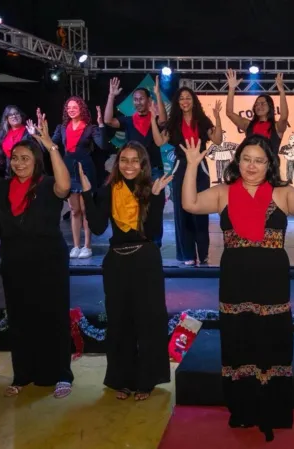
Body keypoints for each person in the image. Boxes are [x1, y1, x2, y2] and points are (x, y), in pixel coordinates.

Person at [180, 134, 294, 441]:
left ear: (269, 164)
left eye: (259, 160)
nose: (251, 166)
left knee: (272, 339)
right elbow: (189, 204)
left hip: (273, 281)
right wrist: (192, 166)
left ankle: (272, 409)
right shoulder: (223, 192)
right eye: (246, 159)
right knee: (239, 339)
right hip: (235, 280)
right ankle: (243, 410)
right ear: (238, 161)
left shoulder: (282, 193)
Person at [0, 113, 74, 399]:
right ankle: (23, 374)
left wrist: (51, 146)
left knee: (53, 316)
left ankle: (61, 374)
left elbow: (65, 186)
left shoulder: (47, 185)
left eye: (25, 158)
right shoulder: (3, 187)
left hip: (49, 261)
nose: (19, 163)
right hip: (14, 262)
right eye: (15, 158)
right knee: (20, 319)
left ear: (36, 161)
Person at [80, 142, 173, 401]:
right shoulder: (108, 191)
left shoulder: (150, 190)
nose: (129, 165)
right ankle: (122, 379)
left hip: (146, 260)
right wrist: (87, 193)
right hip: (117, 263)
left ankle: (146, 381)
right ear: (117, 163)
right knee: (119, 323)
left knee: (149, 321)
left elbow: (153, 232)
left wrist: (156, 198)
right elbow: (98, 227)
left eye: (135, 160)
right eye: (124, 160)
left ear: (143, 164)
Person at [151, 87, 222, 265]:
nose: (185, 101)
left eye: (188, 98)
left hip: (200, 169)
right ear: (177, 102)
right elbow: (159, 141)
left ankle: (203, 253)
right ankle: (187, 254)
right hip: (181, 167)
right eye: (181, 98)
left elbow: (218, 140)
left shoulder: (203, 120)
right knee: (182, 212)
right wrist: (153, 119)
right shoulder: (173, 122)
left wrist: (218, 118)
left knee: (200, 210)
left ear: (194, 101)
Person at [102, 77, 168, 246]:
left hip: (154, 170)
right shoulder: (129, 120)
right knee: (134, 206)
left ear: (149, 101)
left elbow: (163, 120)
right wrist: (111, 96)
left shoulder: (155, 119)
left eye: (141, 99)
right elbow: (108, 120)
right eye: (135, 99)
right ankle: (135, 240)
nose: (138, 102)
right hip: (133, 171)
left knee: (155, 207)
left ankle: (154, 243)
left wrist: (157, 95)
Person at [50, 97, 106, 259]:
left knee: (85, 209)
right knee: (74, 210)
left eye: (74, 107)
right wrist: (39, 133)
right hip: (68, 169)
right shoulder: (62, 128)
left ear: (81, 108)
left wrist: (101, 125)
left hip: (85, 169)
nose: (71, 110)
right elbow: (50, 145)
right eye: (68, 108)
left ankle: (87, 246)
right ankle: (76, 246)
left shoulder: (90, 128)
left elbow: (102, 145)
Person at [225, 69, 289, 151]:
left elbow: (284, 117)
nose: (259, 106)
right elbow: (229, 113)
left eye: (263, 103)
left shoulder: (276, 127)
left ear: (270, 106)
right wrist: (231, 88)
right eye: (257, 104)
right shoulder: (248, 125)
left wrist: (282, 91)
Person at [0, 106, 33, 177]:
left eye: (16, 113)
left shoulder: (29, 130)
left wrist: (34, 135)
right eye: (10, 115)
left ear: (21, 116)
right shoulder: (3, 134)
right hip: (9, 174)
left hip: (28, 172)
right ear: (7, 119)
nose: (14, 116)